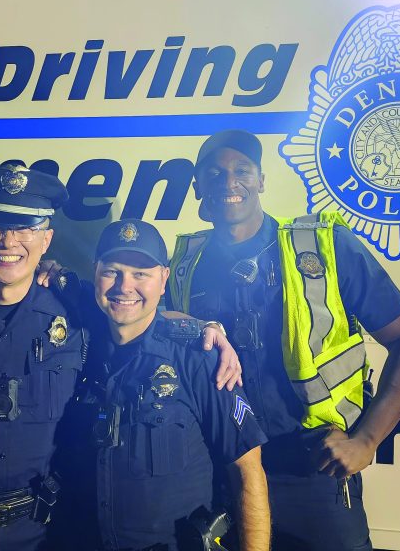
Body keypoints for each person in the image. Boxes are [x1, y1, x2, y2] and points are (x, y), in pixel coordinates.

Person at [0, 164, 241, 551]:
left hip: (46, 532)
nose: (9, 241)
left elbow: (136, 310)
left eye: (26, 228)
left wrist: (203, 328)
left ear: (46, 239)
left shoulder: (78, 308)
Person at [165, 130, 400, 550]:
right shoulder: (185, 263)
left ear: (261, 180)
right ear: (198, 185)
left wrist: (366, 440)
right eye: (214, 173)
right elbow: (137, 314)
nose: (228, 182)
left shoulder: (321, 246)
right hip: (225, 472)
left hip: (311, 472)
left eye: (242, 171)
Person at [74, 219, 270, 551]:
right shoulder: (72, 349)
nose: (124, 286)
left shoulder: (202, 359)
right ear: (95, 273)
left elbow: (248, 474)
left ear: (163, 279)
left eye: (140, 274)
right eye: (112, 271)